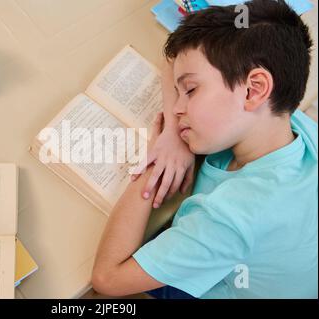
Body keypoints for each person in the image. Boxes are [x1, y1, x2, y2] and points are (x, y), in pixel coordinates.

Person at [91, 0, 318, 298]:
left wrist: (153, 165)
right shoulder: (288, 120)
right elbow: (173, 60)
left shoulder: (228, 219)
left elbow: (107, 278)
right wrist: (174, 133)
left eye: (192, 90)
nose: (178, 107)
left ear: (254, 89)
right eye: (179, 91)